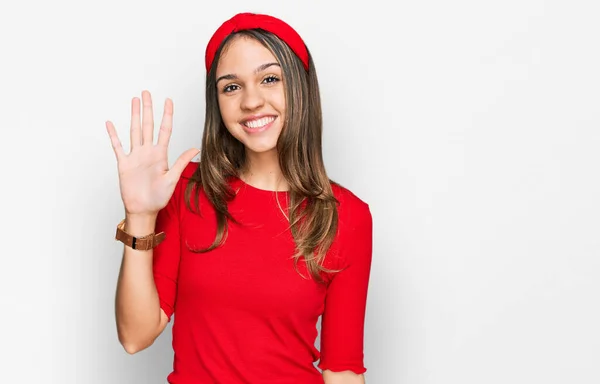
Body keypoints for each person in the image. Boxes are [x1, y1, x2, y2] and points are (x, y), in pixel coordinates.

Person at [105, 12, 373, 384]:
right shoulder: (186, 191)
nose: (251, 101)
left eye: (269, 79)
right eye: (231, 87)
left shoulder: (347, 216)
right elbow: (135, 336)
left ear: (299, 87)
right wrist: (138, 216)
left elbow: (342, 369)